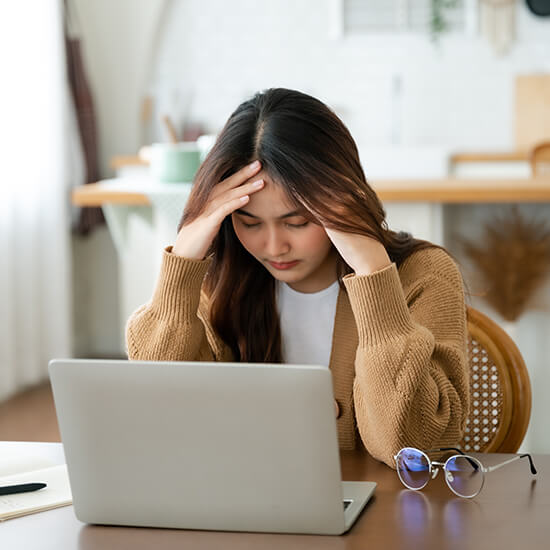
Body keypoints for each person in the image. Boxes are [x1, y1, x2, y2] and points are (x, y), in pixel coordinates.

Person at [126, 88, 469, 468]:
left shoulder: (424, 275)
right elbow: (158, 416)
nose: (274, 246)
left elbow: (410, 448)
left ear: (346, 199)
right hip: (250, 511)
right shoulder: (221, 278)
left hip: (386, 514)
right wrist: (185, 256)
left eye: (297, 221)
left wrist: (373, 274)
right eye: (249, 222)